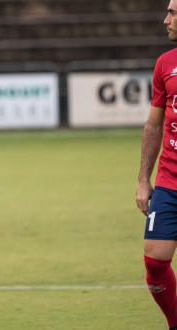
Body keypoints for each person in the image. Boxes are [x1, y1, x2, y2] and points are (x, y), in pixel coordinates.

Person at [136, 1, 177, 329]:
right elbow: (153, 126)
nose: (166, 20)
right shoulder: (165, 64)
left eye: (173, 13)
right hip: (169, 180)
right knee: (155, 263)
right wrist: (143, 179)